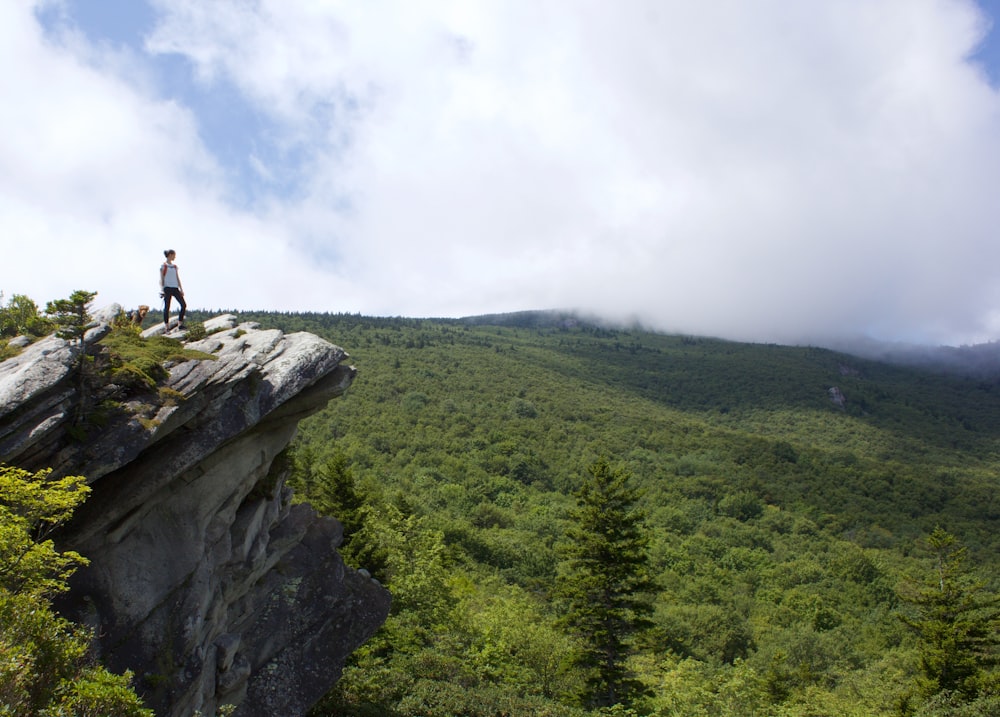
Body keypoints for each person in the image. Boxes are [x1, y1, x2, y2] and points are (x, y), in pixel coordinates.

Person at [159, 249, 186, 329]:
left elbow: (177, 278)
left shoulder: (175, 267)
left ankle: (180, 324)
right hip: (167, 288)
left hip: (175, 288)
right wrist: (162, 289)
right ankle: (167, 327)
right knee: (167, 307)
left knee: (183, 305)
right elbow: (161, 279)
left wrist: (181, 289)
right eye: (174, 255)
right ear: (170, 255)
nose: (175, 257)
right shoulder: (163, 266)